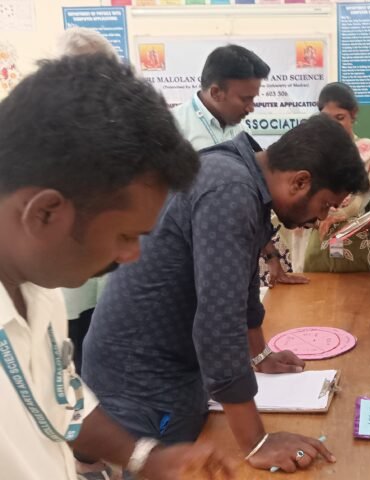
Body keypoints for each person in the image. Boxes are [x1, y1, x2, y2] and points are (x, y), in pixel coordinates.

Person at [82, 114, 370, 474]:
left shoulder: (244, 177)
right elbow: (219, 323)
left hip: (175, 369)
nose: (320, 218)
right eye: (325, 204)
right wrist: (257, 442)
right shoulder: (230, 189)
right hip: (143, 380)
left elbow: (239, 286)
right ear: (300, 181)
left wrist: (259, 354)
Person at [0, 54, 231, 480]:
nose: (132, 256)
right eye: (126, 236)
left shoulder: (39, 286)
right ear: (45, 213)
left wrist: (144, 456)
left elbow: (62, 402)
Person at [172, 44, 305, 288]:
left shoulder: (238, 131)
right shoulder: (173, 129)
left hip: (228, 257)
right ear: (216, 92)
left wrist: (272, 258)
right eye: (246, 99)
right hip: (183, 262)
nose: (251, 108)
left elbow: (253, 201)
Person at [55, 28, 120, 377]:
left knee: (109, 354)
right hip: (63, 277)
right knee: (69, 365)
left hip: (112, 270)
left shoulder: (117, 120)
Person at [303, 82, 370, 272]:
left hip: (358, 252)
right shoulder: (310, 156)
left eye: (340, 118)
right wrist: (316, 219)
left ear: (353, 115)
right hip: (318, 253)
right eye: (327, 119)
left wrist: (346, 218)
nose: (333, 126)